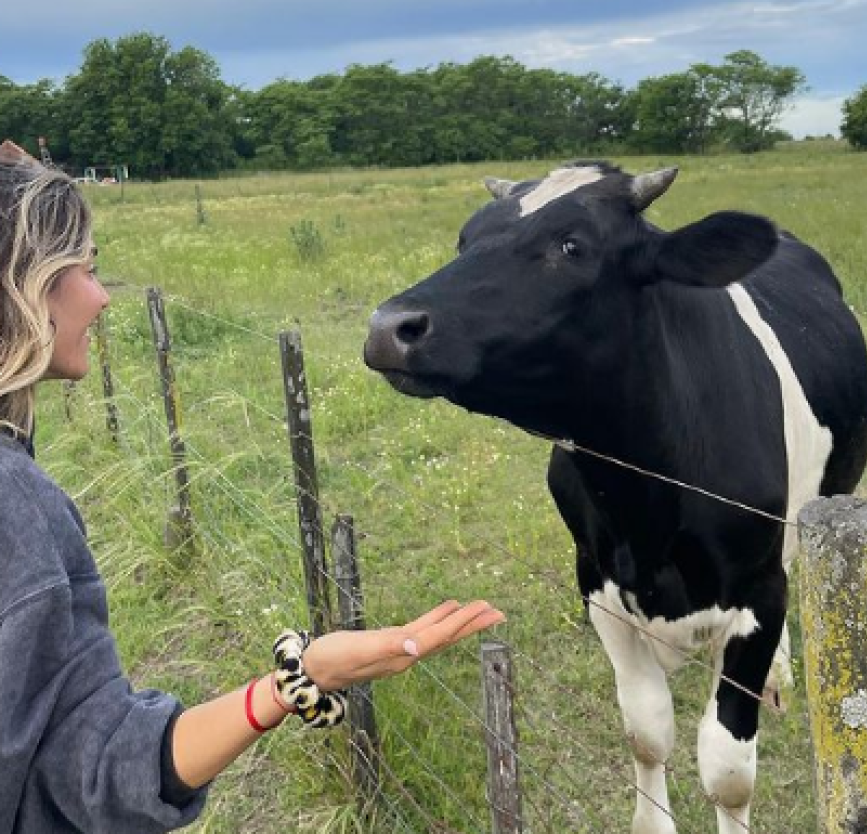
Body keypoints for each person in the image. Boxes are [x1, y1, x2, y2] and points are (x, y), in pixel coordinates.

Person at [0, 139, 506, 834]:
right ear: (19, 290)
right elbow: (84, 779)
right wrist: (295, 683)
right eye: (82, 268)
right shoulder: (16, 506)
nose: (102, 297)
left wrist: (294, 683)